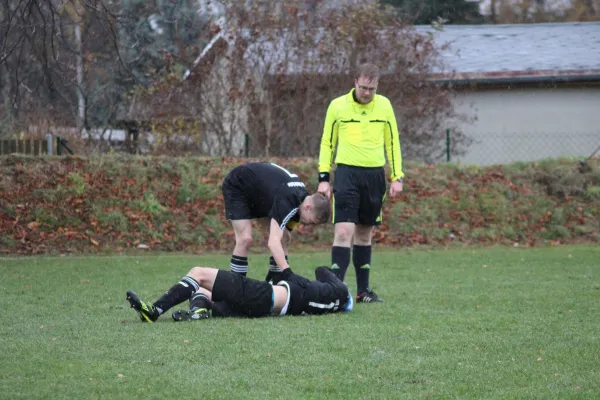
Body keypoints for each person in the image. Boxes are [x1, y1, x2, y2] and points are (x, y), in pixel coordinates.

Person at [317, 63, 404, 303]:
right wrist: (324, 177)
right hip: (346, 174)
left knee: (365, 233)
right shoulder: (337, 106)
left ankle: (363, 291)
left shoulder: (384, 106)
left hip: (375, 176)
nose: (367, 93)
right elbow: (327, 142)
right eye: (363, 87)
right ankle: (334, 291)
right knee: (344, 231)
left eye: (372, 89)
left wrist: (397, 176)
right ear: (355, 82)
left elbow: (393, 142)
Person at [222, 162, 330, 282]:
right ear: (308, 207)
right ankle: (235, 285)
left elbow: (282, 234)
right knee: (245, 238)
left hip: (258, 192)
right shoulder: (289, 200)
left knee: (284, 236)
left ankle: (275, 279)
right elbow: (273, 243)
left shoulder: (301, 199)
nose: (308, 224)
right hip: (238, 185)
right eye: (311, 221)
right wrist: (288, 273)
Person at [125, 266, 353, 322]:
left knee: (199, 274)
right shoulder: (332, 302)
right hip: (264, 309)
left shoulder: (338, 288)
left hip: (263, 295)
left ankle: (154, 311)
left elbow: (322, 271)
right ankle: (200, 312)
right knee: (205, 290)